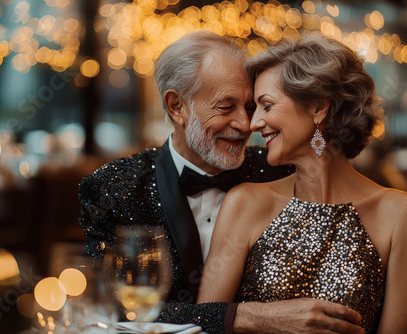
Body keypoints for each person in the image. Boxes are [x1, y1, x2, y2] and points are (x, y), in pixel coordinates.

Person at [79, 31, 362, 333]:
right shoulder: (115, 187)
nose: (245, 125)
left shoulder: (280, 170)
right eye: (226, 107)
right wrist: (245, 317)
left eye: (250, 107)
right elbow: (111, 308)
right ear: (177, 107)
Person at [198, 34, 407, 333]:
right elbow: (205, 323)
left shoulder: (398, 213)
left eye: (266, 106)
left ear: (318, 108)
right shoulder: (246, 202)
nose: (253, 123)